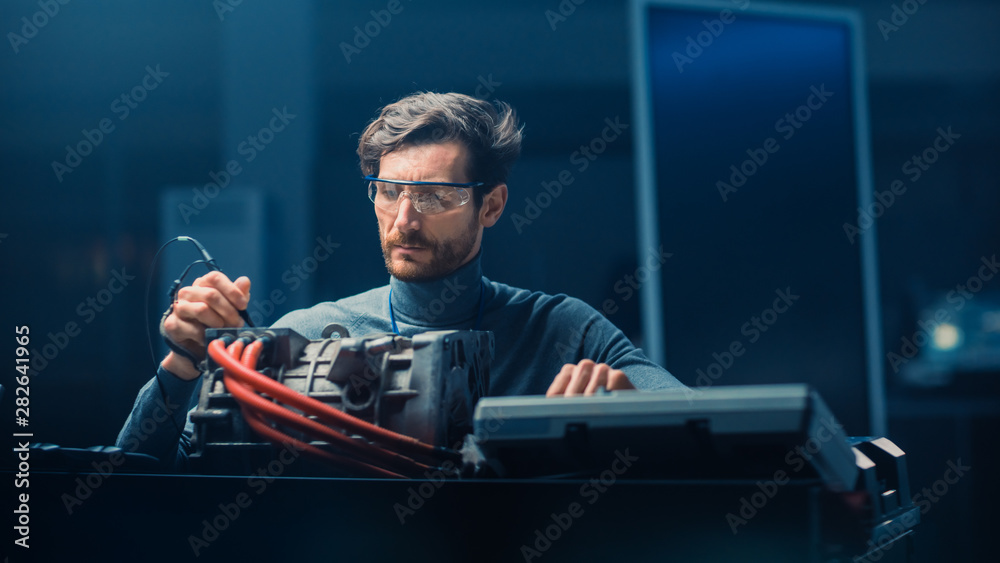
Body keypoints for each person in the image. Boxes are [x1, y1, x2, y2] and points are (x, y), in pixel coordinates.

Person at [117, 91, 685, 468]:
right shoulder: (302, 336)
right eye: (389, 192)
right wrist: (183, 363)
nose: (405, 220)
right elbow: (140, 471)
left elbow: (698, 422)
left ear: (492, 206)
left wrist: (629, 411)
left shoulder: (564, 332)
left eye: (436, 196)